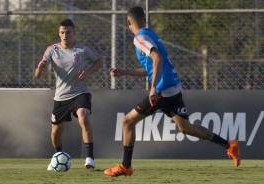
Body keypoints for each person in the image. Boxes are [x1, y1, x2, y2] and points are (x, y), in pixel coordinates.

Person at [104, 6, 240, 177]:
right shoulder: (151, 34)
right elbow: (151, 67)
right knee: (186, 128)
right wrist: (124, 71)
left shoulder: (139, 38)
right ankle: (229, 145)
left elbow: (157, 59)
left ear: (128, 22)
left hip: (162, 90)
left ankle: (125, 166)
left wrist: (153, 88)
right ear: (144, 20)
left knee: (127, 122)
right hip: (172, 88)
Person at [35, 19, 103, 170]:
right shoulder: (52, 50)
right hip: (60, 97)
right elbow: (38, 75)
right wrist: (40, 68)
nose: (65, 35)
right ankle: (58, 156)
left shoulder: (82, 49)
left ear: (74, 33)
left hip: (80, 92)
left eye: (68, 32)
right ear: (59, 34)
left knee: (84, 117)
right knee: (56, 132)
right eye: (62, 32)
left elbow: (99, 61)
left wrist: (87, 72)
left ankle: (90, 158)